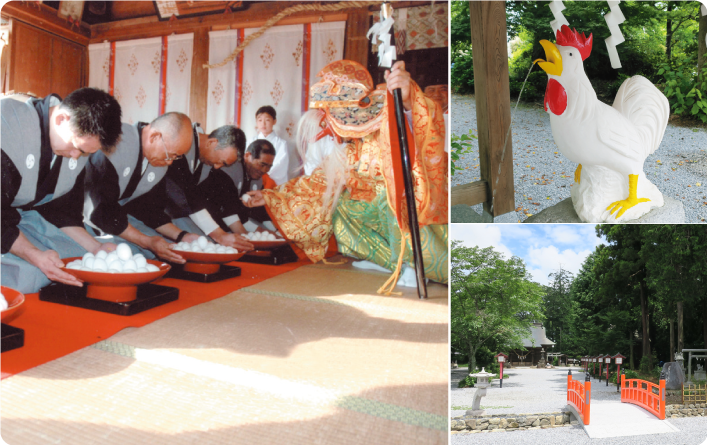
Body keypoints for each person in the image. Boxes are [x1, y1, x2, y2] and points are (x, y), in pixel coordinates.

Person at [243, 60, 449, 293]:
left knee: (392, 195)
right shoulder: (353, 146)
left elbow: (426, 123)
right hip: (375, 203)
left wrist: (409, 98)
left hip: (413, 191)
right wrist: (270, 196)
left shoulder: (386, 102)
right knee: (340, 206)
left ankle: (412, 264)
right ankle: (387, 260)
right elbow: (317, 182)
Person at [0, 87, 123, 293]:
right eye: (78, 148)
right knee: (32, 275)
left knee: (76, 261)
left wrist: (95, 248)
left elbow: (64, 213)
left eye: (85, 153)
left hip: (15, 219)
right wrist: (34, 255)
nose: (76, 156)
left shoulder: (73, 148)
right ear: (61, 119)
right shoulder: (7, 126)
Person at [84, 112, 196, 264]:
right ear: (154, 137)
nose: (170, 162)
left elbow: (149, 209)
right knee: (129, 257)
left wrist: (182, 236)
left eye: (176, 157)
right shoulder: (116, 144)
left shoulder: (157, 160)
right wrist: (146, 241)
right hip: (84, 216)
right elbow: (101, 208)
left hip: (115, 218)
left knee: (162, 251)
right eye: (171, 155)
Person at [164, 123, 253, 251]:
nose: (217, 167)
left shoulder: (206, 160)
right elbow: (187, 196)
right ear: (212, 142)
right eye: (221, 161)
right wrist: (219, 235)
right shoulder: (183, 143)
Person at [204, 139, 276, 236]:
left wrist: (275, 234)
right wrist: (246, 238)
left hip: (234, 223)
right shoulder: (230, 169)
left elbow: (259, 213)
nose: (264, 170)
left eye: (269, 167)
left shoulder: (257, 178)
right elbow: (228, 211)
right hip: (208, 223)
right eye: (261, 164)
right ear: (247, 156)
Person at [245, 106, 289, 186]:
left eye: (267, 120)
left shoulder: (281, 143)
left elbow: (280, 165)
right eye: (260, 120)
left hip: (271, 181)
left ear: (274, 121)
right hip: (252, 178)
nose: (263, 124)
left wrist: (264, 176)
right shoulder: (250, 141)